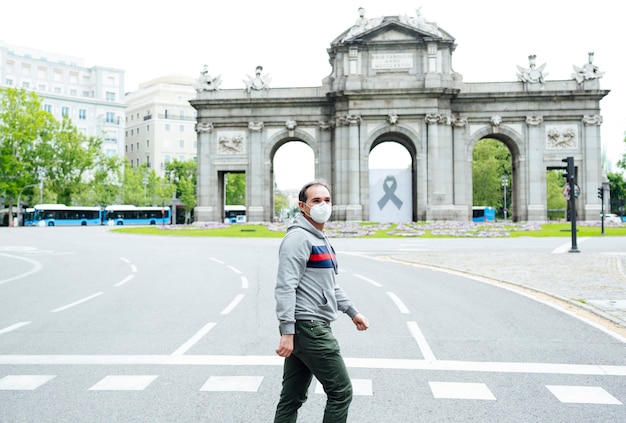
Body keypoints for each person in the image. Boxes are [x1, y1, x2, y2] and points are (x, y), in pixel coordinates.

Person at [274, 181, 369, 423]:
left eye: (327, 200)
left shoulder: (320, 238)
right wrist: (287, 331)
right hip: (310, 328)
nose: (323, 205)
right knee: (341, 392)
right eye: (316, 201)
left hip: (306, 327)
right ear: (302, 206)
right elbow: (286, 286)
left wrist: (352, 311)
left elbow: (330, 284)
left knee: (292, 396)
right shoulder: (298, 239)